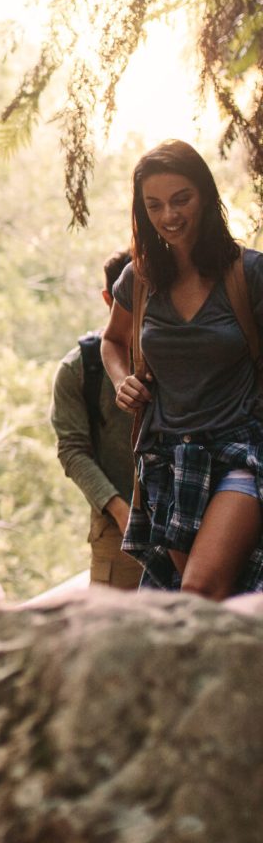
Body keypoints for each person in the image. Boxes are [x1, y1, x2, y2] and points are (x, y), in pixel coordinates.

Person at [102, 139, 263, 598]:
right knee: (205, 601)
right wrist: (121, 380)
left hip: (241, 450)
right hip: (167, 459)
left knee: (199, 588)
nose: (169, 216)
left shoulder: (249, 273)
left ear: (207, 196)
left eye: (181, 200)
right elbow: (111, 342)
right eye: (154, 205)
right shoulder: (140, 278)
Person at [50, 250, 142, 589]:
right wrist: (120, 511)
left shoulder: (180, 354)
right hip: (116, 531)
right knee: (116, 635)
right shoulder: (78, 370)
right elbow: (73, 451)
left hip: (189, 521)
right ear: (109, 298)